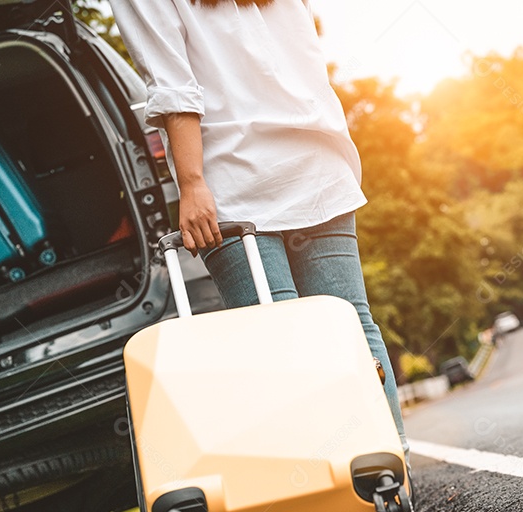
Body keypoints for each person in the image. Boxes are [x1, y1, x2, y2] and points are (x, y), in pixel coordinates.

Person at [109, 0, 409, 461]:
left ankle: (333, 492)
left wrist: (190, 184)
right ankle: (393, 482)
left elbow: (174, 88)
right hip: (315, 159)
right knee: (351, 327)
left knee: (280, 346)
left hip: (233, 179)